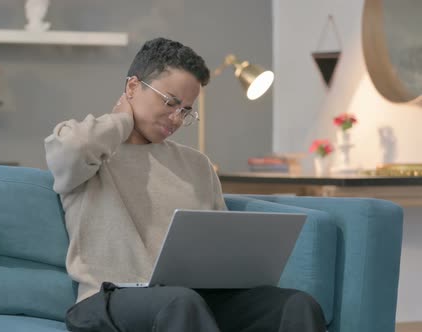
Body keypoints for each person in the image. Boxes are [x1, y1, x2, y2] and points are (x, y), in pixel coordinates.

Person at [44, 37, 326, 332]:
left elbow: (220, 245)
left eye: (187, 110)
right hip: (108, 301)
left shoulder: (196, 165)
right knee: (180, 302)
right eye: (170, 102)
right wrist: (121, 121)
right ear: (132, 87)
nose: (177, 118)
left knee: (295, 304)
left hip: (190, 300)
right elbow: (72, 146)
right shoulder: (91, 152)